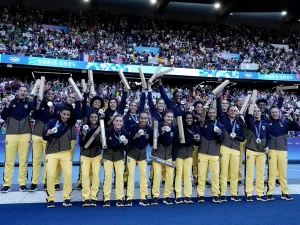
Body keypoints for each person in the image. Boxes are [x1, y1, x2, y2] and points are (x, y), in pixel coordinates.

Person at [1, 87, 36, 193]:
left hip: (25, 134)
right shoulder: (11, 102)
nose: (23, 92)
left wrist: (35, 96)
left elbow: (35, 107)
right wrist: (6, 106)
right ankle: (7, 184)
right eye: (21, 91)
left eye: (25, 91)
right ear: (18, 92)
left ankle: (22, 184)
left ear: (27, 93)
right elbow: (3, 116)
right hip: (11, 134)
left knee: (23, 161)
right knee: (9, 161)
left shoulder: (29, 104)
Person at [43, 105, 76, 208]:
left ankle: (66, 198)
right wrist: (48, 133)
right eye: (64, 114)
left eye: (68, 115)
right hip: (51, 152)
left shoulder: (70, 123)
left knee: (68, 175)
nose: (66, 117)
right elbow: (44, 136)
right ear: (60, 113)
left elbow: (79, 112)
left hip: (65, 153)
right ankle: (50, 199)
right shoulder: (52, 122)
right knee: (51, 176)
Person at [266, 106, 300, 201]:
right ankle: (269, 193)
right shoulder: (267, 123)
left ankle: (285, 193)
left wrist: (292, 120)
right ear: (270, 113)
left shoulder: (285, 122)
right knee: (272, 173)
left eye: (276, 112)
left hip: (283, 150)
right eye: (273, 112)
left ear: (279, 112)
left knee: (283, 173)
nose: (275, 114)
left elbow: (298, 128)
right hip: (272, 150)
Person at [217, 95, 245, 202]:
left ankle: (234, 193)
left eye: (235, 110)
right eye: (231, 110)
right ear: (227, 112)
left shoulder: (239, 124)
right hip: (224, 147)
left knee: (234, 173)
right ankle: (223, 193)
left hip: (236, 149)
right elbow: (219, 109)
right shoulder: (223, 119)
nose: (233, 112)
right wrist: (219, 96)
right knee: (223, 172)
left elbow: (242, 138)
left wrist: (236, 136)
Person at [30, 89, 57, 192]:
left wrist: (52, 112)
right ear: (46, 95)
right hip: (36, 135)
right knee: (36, 160)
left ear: (54, 96)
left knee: (48, 161)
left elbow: (55, 120)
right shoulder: (40, 103)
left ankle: (46, 182)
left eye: (52, 94)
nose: (50, 95)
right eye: (49, 94)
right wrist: (38, 106)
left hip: (48, 136)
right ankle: (34, 183)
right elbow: (34, 116)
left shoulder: (55, 106)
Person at [197, 108, 224, 204]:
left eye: (213, 113)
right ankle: (200, 195)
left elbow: (222, 140)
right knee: (201, 175)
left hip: (214, 154)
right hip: (202, 153)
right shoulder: (203, 123)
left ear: (216, 114)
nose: (212, 114)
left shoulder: (220, 125)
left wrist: (220, 134)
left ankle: (216, 194)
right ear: (207, 114)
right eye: (210, 113)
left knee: (215, 175)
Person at [126, 112, 153, 207]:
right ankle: (129, 198)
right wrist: (134, 137)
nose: (143, 120)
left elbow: (152, 144)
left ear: (148, 119)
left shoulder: (150, 130)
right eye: (142, 118)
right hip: (132, 153)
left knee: (144, 175)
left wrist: (156, 137)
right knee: (131, 175)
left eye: (145, 118)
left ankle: (143, 197)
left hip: (142, 154)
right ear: (139, 119)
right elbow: (127, 142)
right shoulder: (133, 128)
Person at [151, 110, 178, 206]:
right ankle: (155, 196)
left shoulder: (174, 129)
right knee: (157, 175)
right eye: (168, 116)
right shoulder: (157, 126)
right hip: (157, 156)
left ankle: (167, 196)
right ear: (164, 117)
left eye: (171, 117)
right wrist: (161, 132)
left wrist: (174, 159)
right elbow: (152, 141)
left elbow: (175, 145)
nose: (170, 118)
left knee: (170, 176)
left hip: (169, 156)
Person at [102, 114, 129, 208]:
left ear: (123, 123)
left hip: (119, 157)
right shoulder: (107, 131)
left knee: (120, 177)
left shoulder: (125, 132)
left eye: (120, 121)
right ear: (113, 122)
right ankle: (106, 198)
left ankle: (120, 198)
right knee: (108, 177)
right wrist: (121, 143)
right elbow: (112, 145)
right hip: (108, 156)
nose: (118, 123)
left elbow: (127, 148)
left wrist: (126, 144)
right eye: (116, 121)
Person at [244, 106, 270, 202]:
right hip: (251, 150)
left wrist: (268, 146)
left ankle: (260, 193)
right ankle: (249, 193)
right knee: (249, 173)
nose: (257, 112)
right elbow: (247, 115)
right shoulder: (250, 122)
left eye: (258, 111)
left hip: (262, 152)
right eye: (255, 111)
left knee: (261, 173)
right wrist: (251, 105)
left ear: (261, 112)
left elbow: (269, 137)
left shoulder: (265, 124)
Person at [174, 112, 200, 204]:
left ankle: (188, 196)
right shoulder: (180, 128)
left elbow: (197, 142)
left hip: (189, 153)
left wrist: (197, 140)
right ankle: (178, 195)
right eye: (187, 118)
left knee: (188, 175)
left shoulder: (196, 128)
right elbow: (176, 141)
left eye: (191, 118)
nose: (189, 120)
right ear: (184, 119)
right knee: (179, 174)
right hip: (179, 153)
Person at [79, 112, 102, 207]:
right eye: (91, 117)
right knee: (84, 175)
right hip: (85, 155)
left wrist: (99, 139)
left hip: (97, 155)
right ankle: (86, 198)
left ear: (98, 118)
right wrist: (84, 136)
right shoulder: (84, 128)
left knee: (96, 175)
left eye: (95, 117)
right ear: (89, 118)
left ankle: (94, 197)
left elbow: (103, 144)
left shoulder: (101, 128)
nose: (93, 118)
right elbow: (81, 143)